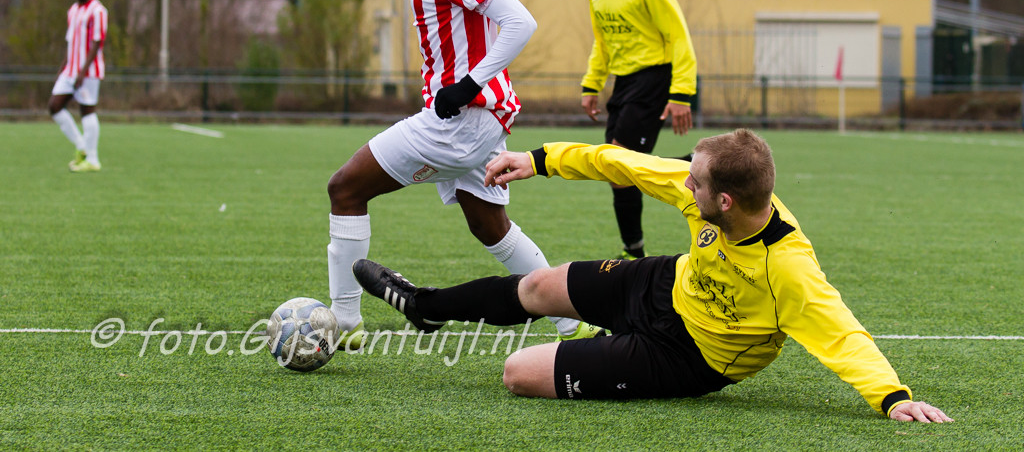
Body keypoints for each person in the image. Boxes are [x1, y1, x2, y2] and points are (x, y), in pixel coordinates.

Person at [353, 129, 952, 422]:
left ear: (726, 202)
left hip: (690, 356)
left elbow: (844, 336)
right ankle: (426, 308)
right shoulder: (704, 194)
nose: (685, 182)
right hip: (665, 284)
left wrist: (893, 399)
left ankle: (607, 349)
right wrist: (537, 160)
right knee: (538, 286)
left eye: (697, 181)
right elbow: (625, 162)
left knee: (518, 373)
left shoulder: (789, 270)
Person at [337, 0, 598, 347]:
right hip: (478, 118)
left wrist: (469, 84)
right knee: (490, 226)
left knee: (345, 189)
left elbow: (520, 22)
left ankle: (343, 323)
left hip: (461, 118)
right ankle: (575, 325)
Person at [582, 0, 698, 261]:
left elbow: (679, 36)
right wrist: (592, 84)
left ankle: (634, 253)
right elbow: (602, 40)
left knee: (617, 162)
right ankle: (696, 166)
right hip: (623, 83)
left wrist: (681, 93)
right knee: (617, 168)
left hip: (653, 78)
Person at [49, 0, 108, 173]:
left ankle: (92, 159)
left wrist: (83, 71)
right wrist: (63, 67)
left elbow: (97, 42)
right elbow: (71, 43)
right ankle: (82, 146)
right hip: (71, 69)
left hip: (88, 71)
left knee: (87, 110)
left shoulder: (98, 10)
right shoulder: (72, 10)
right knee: (54, 106)